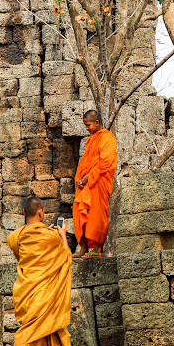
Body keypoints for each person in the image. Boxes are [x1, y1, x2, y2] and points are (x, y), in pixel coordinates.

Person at [3, 196, 73, 346]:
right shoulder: (51, 236)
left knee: (48, 328)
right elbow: (66, 257)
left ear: (24, 213)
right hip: (43, 292)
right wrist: (63, 237)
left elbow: (22, 258)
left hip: (25, 289)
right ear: (41, 213)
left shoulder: (14, 237)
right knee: (31, 331)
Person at [73, 110, 117, 258]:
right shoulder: (91, 139)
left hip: (99, 182)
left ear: (97, 123)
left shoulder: (108, 138)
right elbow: (84, 162)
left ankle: (98, 249)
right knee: (79, 211)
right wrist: (79, 179)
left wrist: (87, 178)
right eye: (85, 125)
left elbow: (106, 162)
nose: (86, 128)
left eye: (88, 125)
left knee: (97, 214)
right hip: (86, 183)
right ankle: (83, 247)